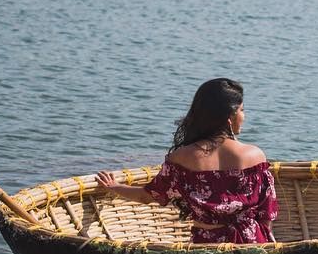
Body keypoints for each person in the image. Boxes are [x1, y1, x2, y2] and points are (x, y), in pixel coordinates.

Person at [95, 78, 278, 244]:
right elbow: (266, 214)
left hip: (206, 246)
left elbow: (147, 196)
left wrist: (114, 186)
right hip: (252, 243)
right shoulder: (255, 156)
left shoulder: (181, 158)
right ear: (230, 117)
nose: (244, 117)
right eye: (242, 110)